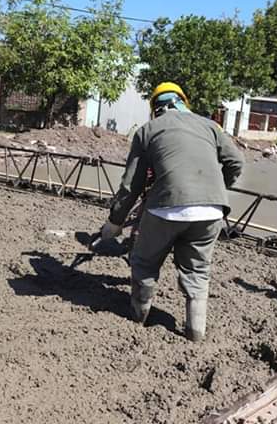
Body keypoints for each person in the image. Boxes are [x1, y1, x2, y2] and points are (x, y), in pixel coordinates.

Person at [100, 82, 244, 342]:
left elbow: (131, 184)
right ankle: (195, 333)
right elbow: (236, 162)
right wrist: (215, 190)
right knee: (198, 271)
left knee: (144, 262)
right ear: (183, 101)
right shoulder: (210, 126)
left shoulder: (148, 130)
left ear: (154, 107)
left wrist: (115, 221)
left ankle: (138, 319)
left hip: (165, 210)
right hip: (211, 212)